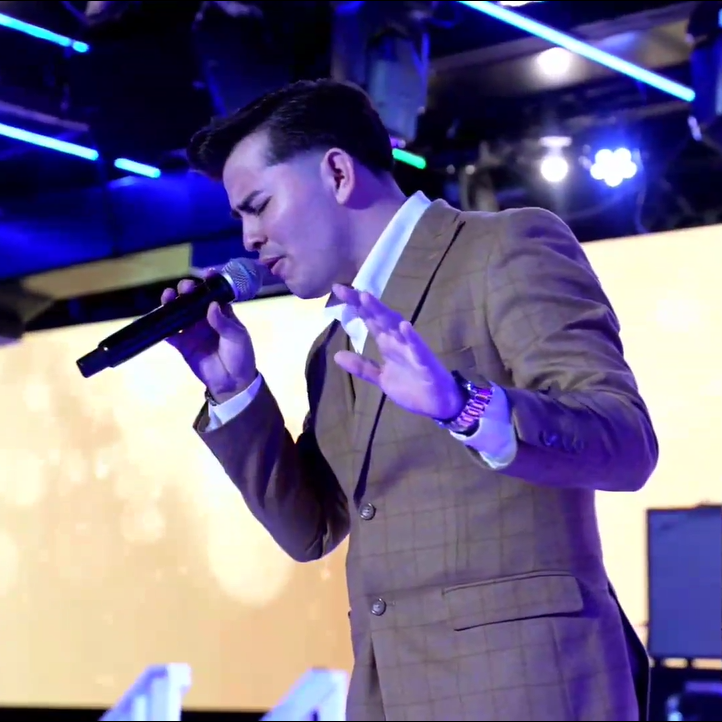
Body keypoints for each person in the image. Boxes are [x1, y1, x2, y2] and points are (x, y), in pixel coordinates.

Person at [162, 79, 658, 721]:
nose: (250, 239)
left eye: (258, 205)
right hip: (392, 697)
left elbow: (625, 442)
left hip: (531, 690)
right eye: (241, 218)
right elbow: (312, 529)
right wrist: (234, 388)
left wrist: (462, 406)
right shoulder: (333, 350)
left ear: (338, 172)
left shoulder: (502, 249)